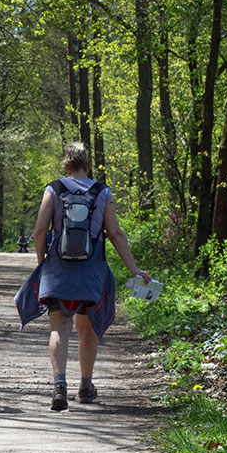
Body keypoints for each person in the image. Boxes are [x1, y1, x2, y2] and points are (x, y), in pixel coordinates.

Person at [32, 142, 149, 411]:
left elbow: (40, 229)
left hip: (58, 269)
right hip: (92, 270)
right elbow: (115, 233)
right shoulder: (102, 192)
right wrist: (134, 269)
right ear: (89, 164)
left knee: (59, 327)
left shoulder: (54, 189)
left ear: (65, 165)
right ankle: (85, 386)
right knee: (88, 330)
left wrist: (42, 265)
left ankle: (59, 385)